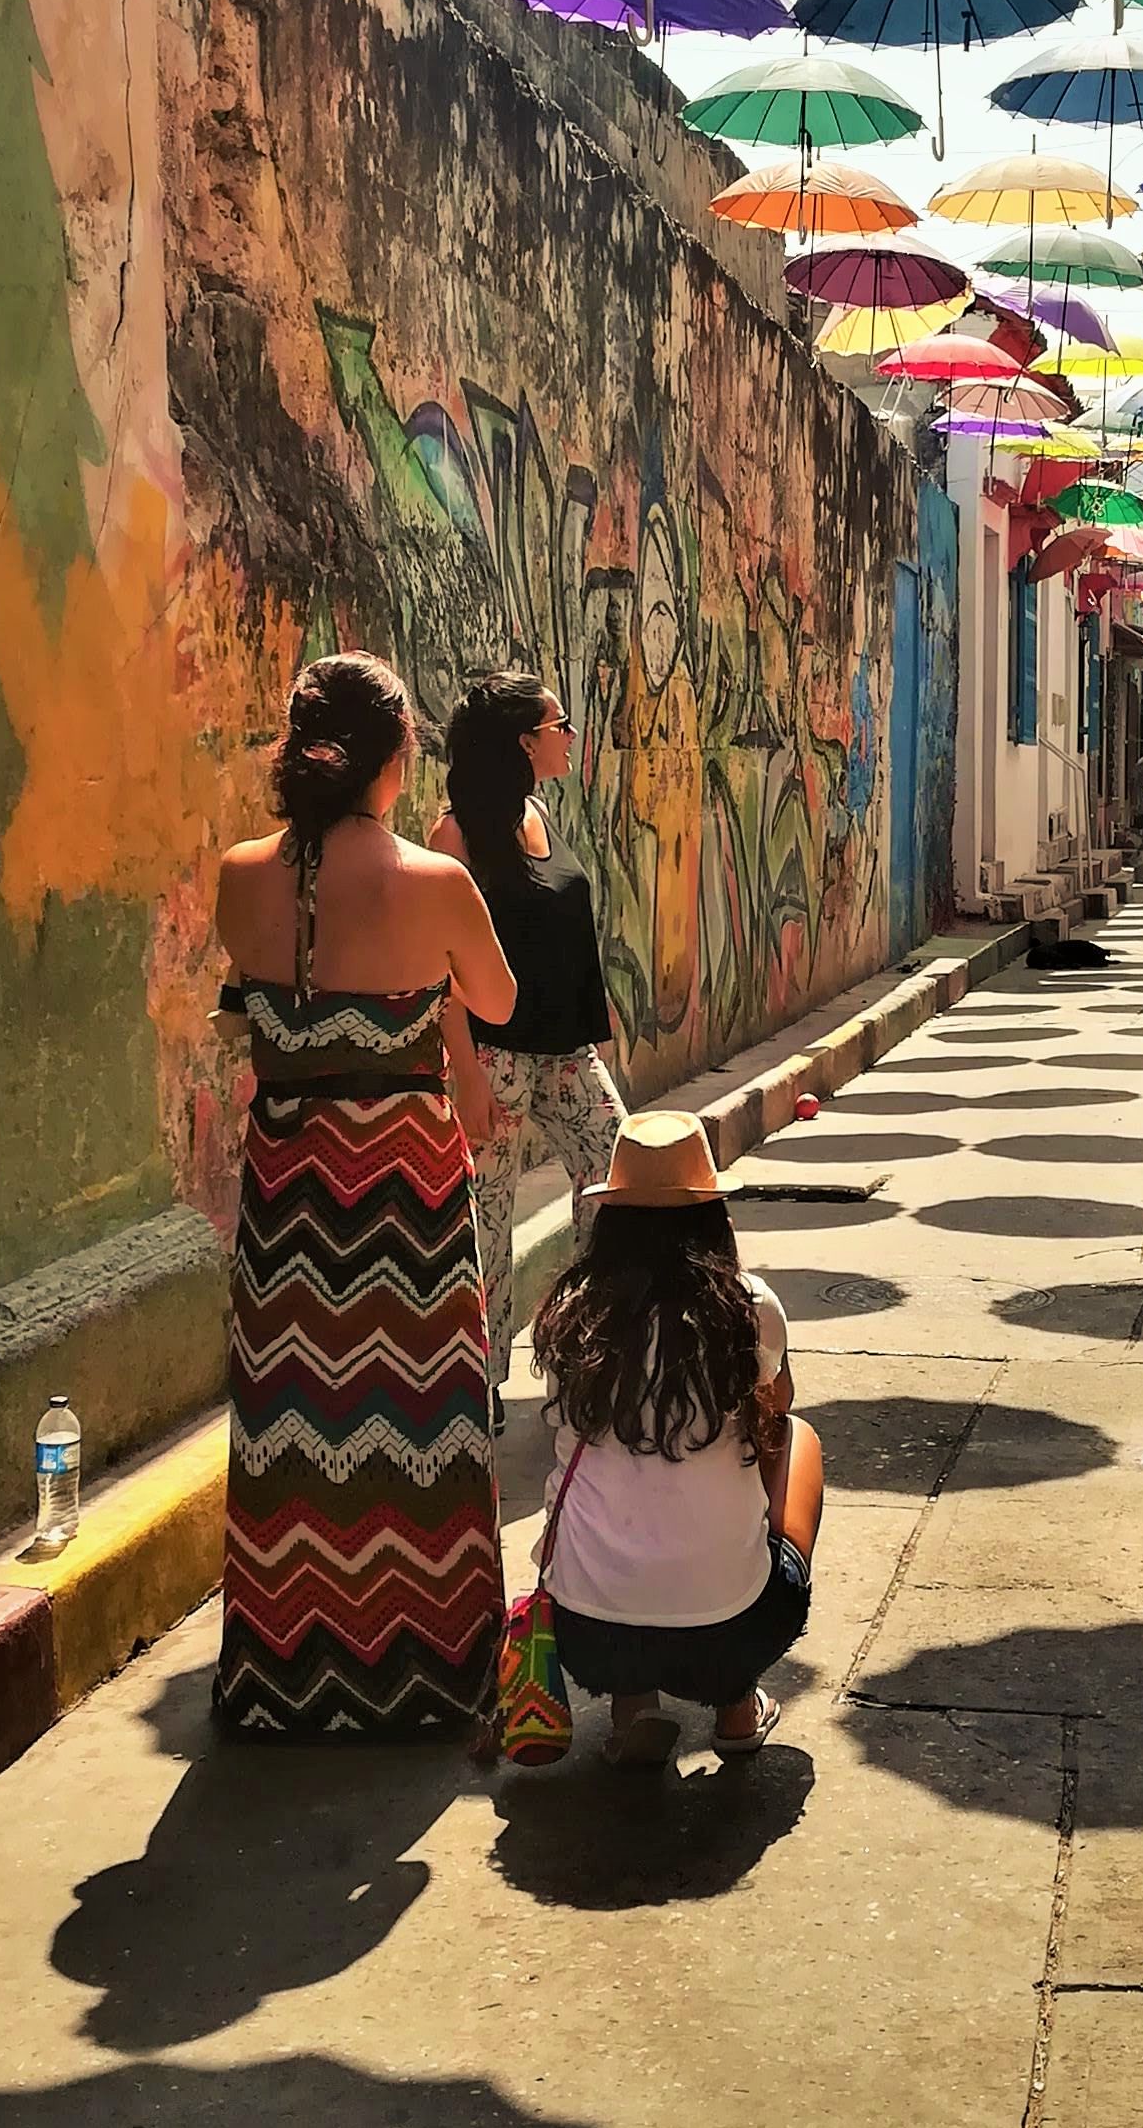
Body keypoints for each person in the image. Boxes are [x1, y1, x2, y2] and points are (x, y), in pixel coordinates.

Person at [211, 652, 519, 1738]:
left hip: (288, 1199)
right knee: (423, 1414)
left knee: (294, 1417)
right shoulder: (434, 884)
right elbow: (496, 995)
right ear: (390, 762)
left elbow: (245, 989)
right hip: (407, 1197)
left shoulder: (241, 873)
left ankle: (291, 1672)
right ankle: (428, 1663)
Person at [532, 1110, 825, 1766]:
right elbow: (779, 1409)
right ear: (710, 1216)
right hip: (731, 1632)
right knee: (796, 1439)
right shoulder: (746, 1305)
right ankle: (736, 1707)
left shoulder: (570, 1314)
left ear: (609, 1218)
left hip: (587, 1633)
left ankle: (631, 1705)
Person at [431, 671, 626, 1431]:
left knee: (615, 1171)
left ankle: (594, 1351)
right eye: (558, 723)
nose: (570, 735)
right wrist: (466, 1073)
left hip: (564, 1049)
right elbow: (439, 964)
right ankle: (478, 1384)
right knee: (487, 1220)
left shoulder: (540, 813)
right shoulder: (455, 835)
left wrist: (591, 1005)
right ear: (523, 741)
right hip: (495, 1057)